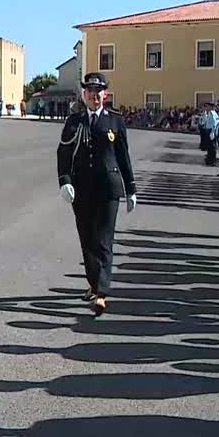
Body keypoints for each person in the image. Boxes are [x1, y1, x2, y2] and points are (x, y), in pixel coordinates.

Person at [57, 72, 137, 316]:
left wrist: (131, 188)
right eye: (89, 91)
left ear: (106, 94)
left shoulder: (115, 121)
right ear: (84, 94)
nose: (94, 95)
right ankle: (94, 283)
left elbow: (123, 156)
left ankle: (101, 293)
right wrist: (65, 181)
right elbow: (64, 154)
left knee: (104, 240)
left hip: (108, 188)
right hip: (82, 189)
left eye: (98, 91)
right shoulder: (74, 121)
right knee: (87, 240)